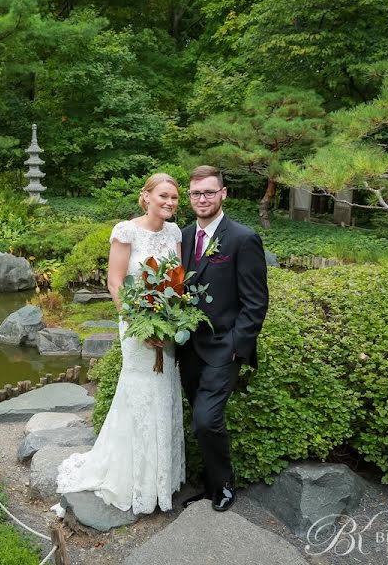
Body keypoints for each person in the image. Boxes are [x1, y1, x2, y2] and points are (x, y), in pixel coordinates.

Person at [54, 172, 186, 515]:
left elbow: (178, 281)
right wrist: (140, 326)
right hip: (137, 328)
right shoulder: (126, 231)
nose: (170, 203)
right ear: (146, 197)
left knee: (164, 393)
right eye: (163, 196)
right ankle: (134, 480)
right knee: (140, 394)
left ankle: (160, 480)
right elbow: (115, 284)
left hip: (168, 328)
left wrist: (173, 319)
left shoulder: (174, 233)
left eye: (174, 198)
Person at [177, 166, 268, 512]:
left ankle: (225, 484)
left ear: (223, 194)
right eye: (196, 193)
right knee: (201, 421)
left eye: (209, 192)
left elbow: (256, 303)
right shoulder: (184, 236)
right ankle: (210, 486)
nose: (202, 199)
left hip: (223, 349)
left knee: (206, 419)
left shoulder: (243, 239)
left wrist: (235, 348)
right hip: (187, 349)